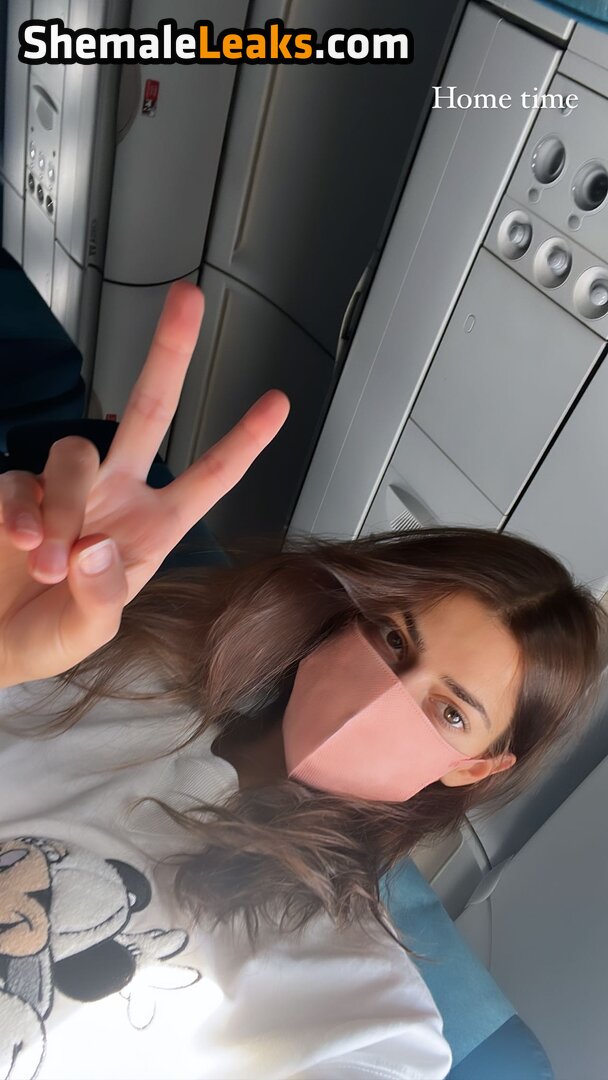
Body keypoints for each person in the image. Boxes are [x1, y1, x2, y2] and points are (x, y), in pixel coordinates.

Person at [0, 282, 604, 1080]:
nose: (385, 697)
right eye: (394, 639)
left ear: (474, 768)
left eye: (450, 713)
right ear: (348, 614)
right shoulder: (127, 663)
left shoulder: (363, 1006)